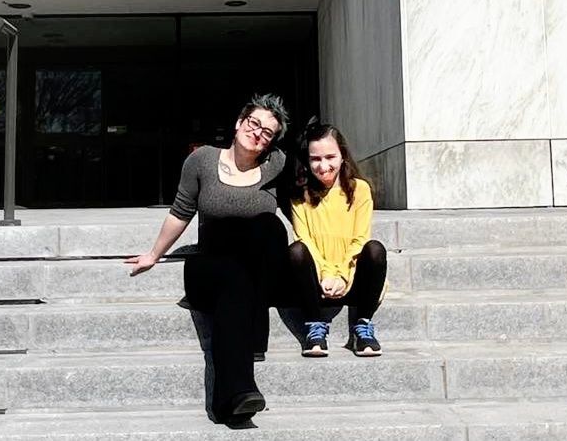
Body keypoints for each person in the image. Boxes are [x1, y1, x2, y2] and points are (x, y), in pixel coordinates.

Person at [126, 94, 289, 424]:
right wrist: (154, 254)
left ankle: (235, 396)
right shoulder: (202, 160)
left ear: (271, 143)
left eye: (267, 132)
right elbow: (181, 211)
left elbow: (303, 203)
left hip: (247, 274)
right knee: (233, 273)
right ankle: (248, 358)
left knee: (268, 228)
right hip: (207, 266)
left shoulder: (277, 165)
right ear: (239, 123)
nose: (257, 132)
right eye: (253, 123)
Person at [287, 122, 387, 357]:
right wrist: (326, 274)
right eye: (315, 159)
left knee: (375, 250)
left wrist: (341, 274)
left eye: (330, 157)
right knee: (296, 251)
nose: (323, 166)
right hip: (318, 283)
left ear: (343, 156)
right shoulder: (300, 194)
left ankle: (362, 327)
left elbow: (360, 238)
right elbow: (305, 239)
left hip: (351, 277)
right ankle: (315, 326)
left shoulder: (359, 189)